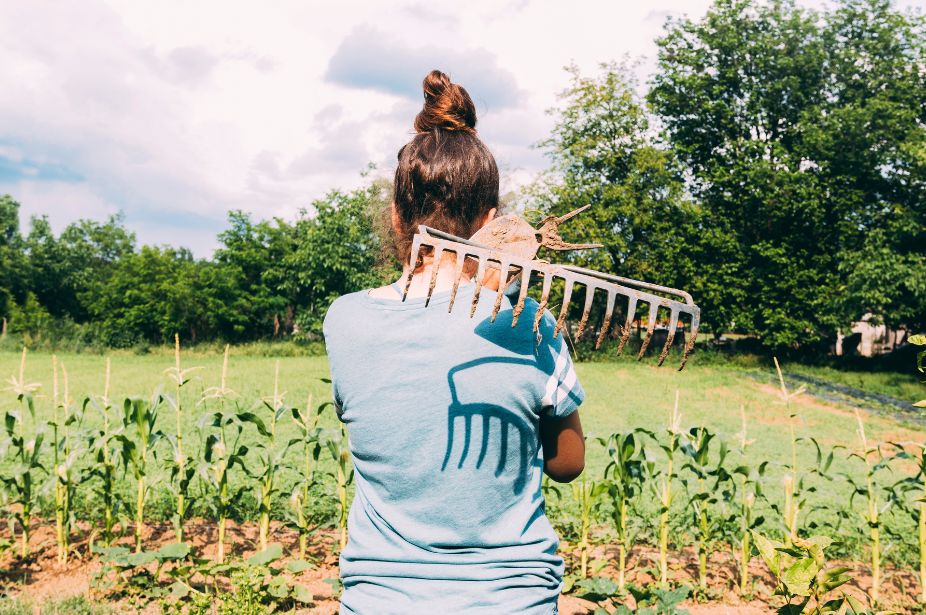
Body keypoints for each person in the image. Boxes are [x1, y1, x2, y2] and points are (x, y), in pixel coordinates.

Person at [323, 69, 586, 615]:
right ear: (492, 222)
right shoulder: (531, 326)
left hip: (382, 600)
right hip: (513, 599)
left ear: (397, 217)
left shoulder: (344, 322)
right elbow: (567, 464)